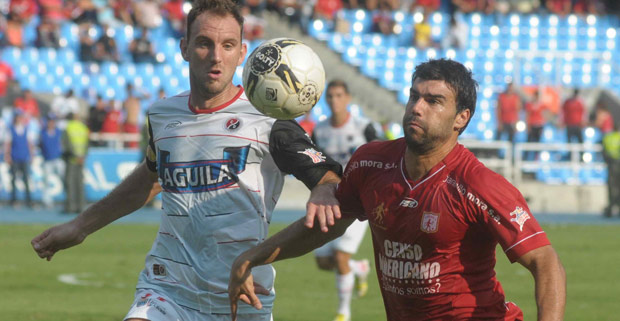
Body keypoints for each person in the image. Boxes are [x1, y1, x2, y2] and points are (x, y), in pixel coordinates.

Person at [31, 1, 342, 321]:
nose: (216, 56)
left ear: (242, 52)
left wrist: (322, 187)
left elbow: (330, 180)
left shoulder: (268, 120)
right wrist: (80, 227)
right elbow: (150, 178)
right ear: (184, 48)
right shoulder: (163, 115)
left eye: (228, 45)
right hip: (166, 290)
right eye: (204, 43)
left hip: (241, 298)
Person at [229, 59, 566, 321]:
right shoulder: (370, 163)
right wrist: (251, 257)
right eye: (414, 96)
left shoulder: (478, 184)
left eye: (434, 101)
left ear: (461, 118)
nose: (417, 107)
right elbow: (326, 225)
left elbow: (545, 261)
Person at [311, 80, 378, 321]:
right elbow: (314, 166)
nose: (334, 100)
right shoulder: (319, 131)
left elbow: (381, 159)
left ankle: (343, 313)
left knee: (340, 257)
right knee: (323, 261)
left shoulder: (364, 128)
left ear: (348, 98)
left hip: (358, 203)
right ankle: (359, 268)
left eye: (339, 95)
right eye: (330, 96)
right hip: (329, 203)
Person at [5, 110, 34, 207]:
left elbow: (29, 144)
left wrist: (31, 155)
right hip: (15, 158)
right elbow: (8, 144)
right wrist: (7, 156)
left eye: (20, 116)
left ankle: (28, 200)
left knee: (26, 179)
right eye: (17, 116)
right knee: (13, 180)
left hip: (24, 157)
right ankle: (14, 200)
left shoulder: (26, 129)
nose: (18, 118)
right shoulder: (11, 129)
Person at [62, 112, 89, 213]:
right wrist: (82, 156)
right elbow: (87, 143)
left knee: (70, 183)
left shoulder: (68, 128)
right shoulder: (83, 127)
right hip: (81, 159)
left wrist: (75, 156)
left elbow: (66, 144)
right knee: (80, 183)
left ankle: (70, 206)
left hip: (71, 159)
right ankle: (81, 206)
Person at [39, 113, 64, 208]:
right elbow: (40, 144)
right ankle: (47, 201)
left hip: (58, 159)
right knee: (46, 181)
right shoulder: (43, 132)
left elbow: (62, 144)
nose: (51, 123)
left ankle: (69, 198)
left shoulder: (58, 132)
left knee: (64, 179)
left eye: (52, 121)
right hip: (47, 160)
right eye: (49, 121)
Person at [602, 124, 620, 218]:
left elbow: (604, 150)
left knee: (611, 188)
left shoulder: (607, 138)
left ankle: (609, 209)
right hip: (618, 165)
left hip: (611, 165)